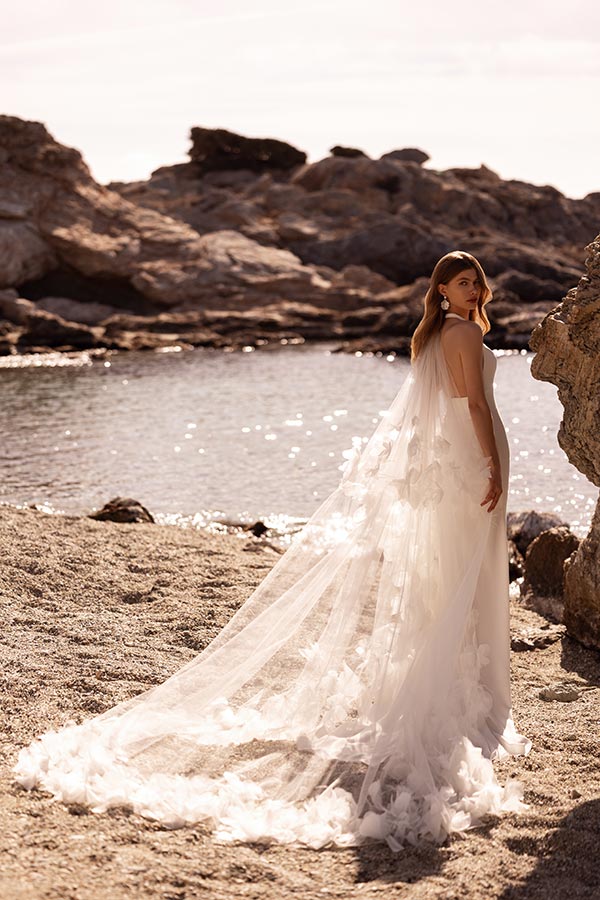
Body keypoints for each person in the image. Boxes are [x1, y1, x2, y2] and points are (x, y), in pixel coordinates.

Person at [13, 250, 531, 852]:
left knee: (450, 576)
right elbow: (472, 404)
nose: (474, 290)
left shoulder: (435, 334)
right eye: (462, 282)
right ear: (441, 290)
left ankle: (458, 689)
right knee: (469, 576)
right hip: (473, 459)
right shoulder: (463, 332)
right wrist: (492, 464)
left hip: (455, 460)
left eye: (477, 281)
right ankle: (472, 700)